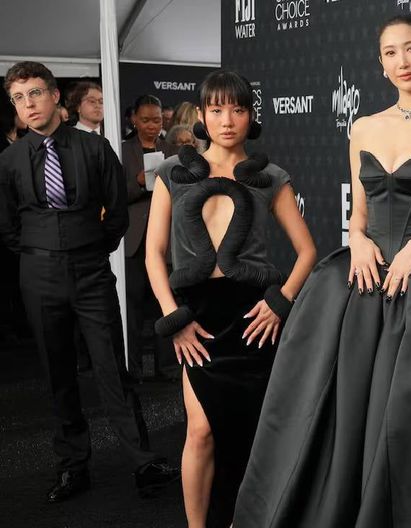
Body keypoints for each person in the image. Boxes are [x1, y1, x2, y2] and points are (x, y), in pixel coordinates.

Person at [233, 14, 411, 528]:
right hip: (363, 275)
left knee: (404, 408)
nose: (402, 61)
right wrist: (355, 240)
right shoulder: (363, 127)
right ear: (380, 64)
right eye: (390, 53)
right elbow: (358, 214)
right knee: (337, 403)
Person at [0, 61, 179, 504]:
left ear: (55, 96)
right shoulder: (9, 160)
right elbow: (8, 227)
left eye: (35, 93)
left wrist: (88, 249)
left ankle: (143, 461)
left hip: (91, 271)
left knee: (112, 368)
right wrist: (43, 252)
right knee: (57, 373)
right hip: (38, 274)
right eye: (19, 98)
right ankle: (72, 466)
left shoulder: (95, 149)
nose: (28, 105)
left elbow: (116, 214)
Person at [146, 70, 316, 528]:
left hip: (253, 319)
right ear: (202, 116)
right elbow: (154, 254)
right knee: (200, 432)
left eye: (238, 109)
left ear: (250, 116)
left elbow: (307, 251)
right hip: (196, 319)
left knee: (252, 435)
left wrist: (280, 301)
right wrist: (173, 318)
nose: (227, 120)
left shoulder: (271, 177)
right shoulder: (172, 173)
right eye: (217, 110)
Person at [122, 95, 169, 379]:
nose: (152, 125)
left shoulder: (172, 149)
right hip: (134, 241)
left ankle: (166, 366)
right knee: (133, 306)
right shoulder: (122, 150)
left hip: (165, 241)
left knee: (166, 303)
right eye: (146, 120)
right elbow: (114, 193)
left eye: (157, 120)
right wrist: (138, 183)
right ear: (134, 120)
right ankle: (133, 366)